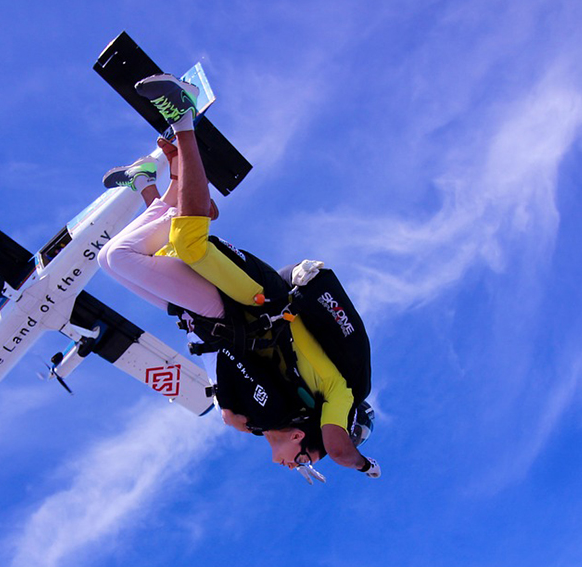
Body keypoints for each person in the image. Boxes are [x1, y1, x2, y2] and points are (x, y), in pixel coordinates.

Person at [98, 74, 380, 482]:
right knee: (182, 244)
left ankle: (156, 184)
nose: (287, 464)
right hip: (255, 301)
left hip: (218, 321)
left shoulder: (276, 411)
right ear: (310, 438)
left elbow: (232, 392)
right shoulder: (340, 394)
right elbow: (337, 450)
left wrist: (239, 417)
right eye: (302, 462)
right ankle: (183, 117)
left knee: (117, 260)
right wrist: (366, 466)